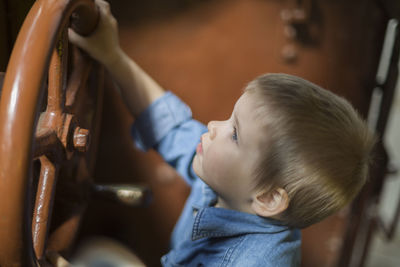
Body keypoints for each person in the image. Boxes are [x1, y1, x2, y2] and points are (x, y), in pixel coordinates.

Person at [69, 0, 376, 266]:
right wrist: (111, 55)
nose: (214, 126)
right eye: (230, 119)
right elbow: (170, 125)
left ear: (268, 198)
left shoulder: (253, 262)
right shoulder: (231, 186)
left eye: (235, 135)